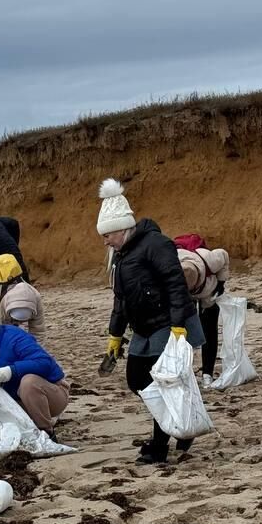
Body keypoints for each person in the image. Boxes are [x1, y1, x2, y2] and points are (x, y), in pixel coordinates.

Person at [96, 178, 205, 465]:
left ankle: (160, 445)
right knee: (137, 381)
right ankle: (181, 424)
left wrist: (178, 326)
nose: (105, 241)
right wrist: (115, 336)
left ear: (121, 228)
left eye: (107, 235)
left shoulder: (156, 244)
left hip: (166, 324)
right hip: (142, 327)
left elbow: (176, 285)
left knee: (162, 383)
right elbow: (120, 299)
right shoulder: (120, 257)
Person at [0, 309, 69, 439]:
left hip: (53, 395)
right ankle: (7, 435)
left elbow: (45, 363)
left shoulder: (15, 337)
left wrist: (12, 370)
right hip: (16, 402)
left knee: (28, 382)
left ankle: (47, 432)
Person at [178, 244, 230, 389]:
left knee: (209, 329)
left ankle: (208, 373)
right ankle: (183, 372)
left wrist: (221, 282)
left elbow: (224, 254)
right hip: (180, 293)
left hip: (209, 288)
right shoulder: (169, 263)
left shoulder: (210, 260)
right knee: (181, 330)